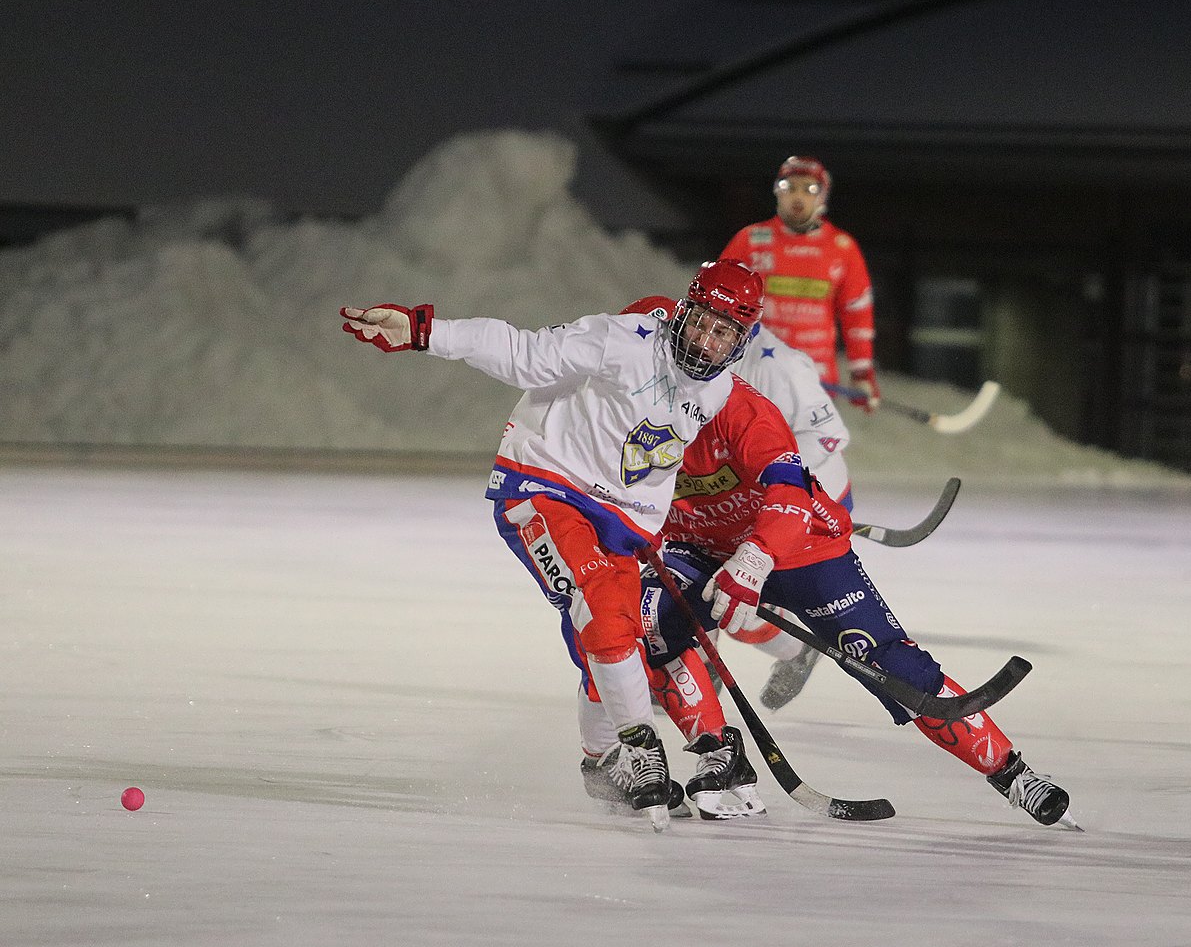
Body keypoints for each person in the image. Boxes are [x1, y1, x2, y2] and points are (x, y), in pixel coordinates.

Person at [338, 259, 767, 832]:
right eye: (702, 324)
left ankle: (601, 763)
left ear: (740, 341)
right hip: (544, 488)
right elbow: (523, 352)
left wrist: (652, 529)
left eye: (724, 334)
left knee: (610, 633)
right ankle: (639, 749)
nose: (705, 342)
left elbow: (655, 465)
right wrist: (425, 332)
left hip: (616, 520)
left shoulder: (715, 390)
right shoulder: (627, 340)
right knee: (604, 610)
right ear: (684, 312)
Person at [640, 336, 1079, 829]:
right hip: (697, 544)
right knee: (652, 623)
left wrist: (755, 558)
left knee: (890, 661)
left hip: (798, 543)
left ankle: (1013, 774)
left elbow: (793, 484)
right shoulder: (623, 397)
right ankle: (718, 757)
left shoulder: (748, 403)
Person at [623, 295, 845, 710]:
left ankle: (795, 650)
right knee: (711, 598)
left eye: (724, 329)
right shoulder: (677, 366)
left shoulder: (779, 366)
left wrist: (773, 495)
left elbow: (826, 441)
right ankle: (713, 658)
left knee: (733, 604)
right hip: (725, 500)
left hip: (800, 494)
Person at [719, 155, 881, 412]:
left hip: (816, 381)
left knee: (809, 452)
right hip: (754, 376)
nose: (798, 197)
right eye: (789, 187)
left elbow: (857, 314)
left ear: (823, 196)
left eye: (809, 189)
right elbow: (716, 303)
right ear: (777, 192)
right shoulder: (750, 241)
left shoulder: (843, 248)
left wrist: (861, 372)